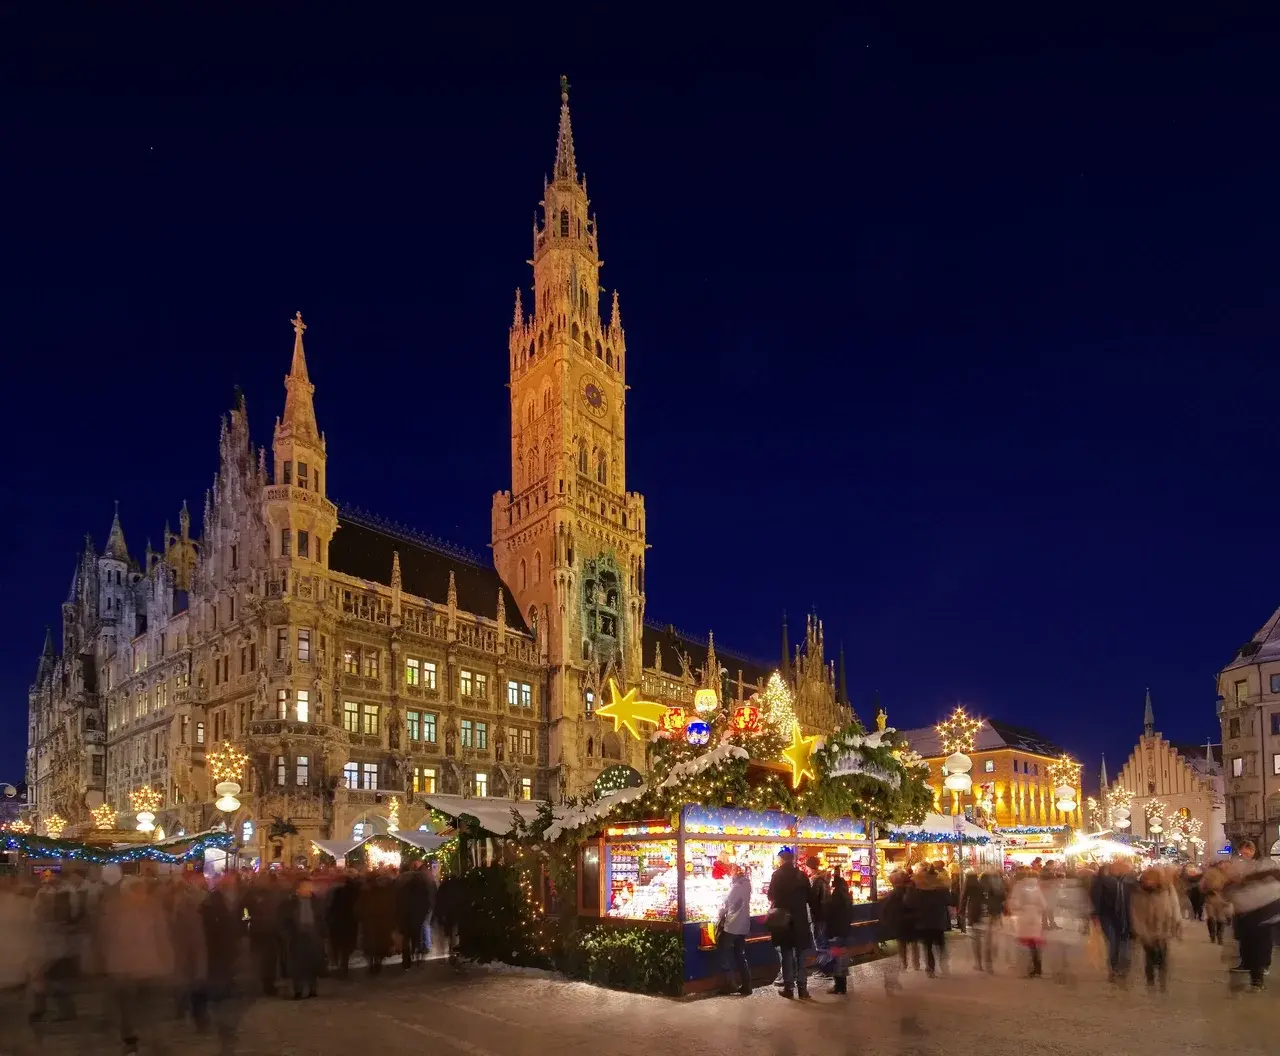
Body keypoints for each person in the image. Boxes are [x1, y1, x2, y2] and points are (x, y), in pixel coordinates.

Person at [1222, 840, 1280, 991]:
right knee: (1247, 944)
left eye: (1247, 852)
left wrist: (1248, 878)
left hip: (1264, 910)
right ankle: (1250, 968)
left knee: (1260, 944)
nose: (1245, 855)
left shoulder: (1266, 864)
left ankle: (1257, 978)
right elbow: (1226, 886)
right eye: (1243, 852)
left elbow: (1274, 877)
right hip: (1244, 912)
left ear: (1254, 851)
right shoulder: (1236, 865)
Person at [767, 848, 815, 999]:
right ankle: (803, 989)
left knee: (786, 954)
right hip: (799, 920)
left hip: (784, 921)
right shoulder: (801, 875)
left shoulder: (777, 875)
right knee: (800, 955)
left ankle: (789, 988)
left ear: (781, 860)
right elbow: (810, 897)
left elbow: (771, 895)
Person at [1129, 867, 1176, 991]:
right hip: (1146, 931)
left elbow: (1171, 910)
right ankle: (1150, 983)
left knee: (1162, 957)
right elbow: (1136, 915)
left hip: (1162, 931)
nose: (1150, 882)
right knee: (1149, 957)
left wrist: (1171, 928)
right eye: (1148, 879)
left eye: (1153, 879)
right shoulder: (1138, 894)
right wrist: (1141, 932)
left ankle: (1162, 983)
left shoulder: (1165, 892)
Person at [1090, 858, 1135, 983]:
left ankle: (1123, 968)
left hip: (1126, 917)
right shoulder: (1102, 881)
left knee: (1124, 943)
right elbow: (1096, 898)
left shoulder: (1130, 882)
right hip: (1108, 916)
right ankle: (1114, 969)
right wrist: (1096, 914)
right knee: (1113, 943)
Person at [905, 865, 950, 977]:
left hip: (924, 921)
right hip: (938, 919)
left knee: (928, 946)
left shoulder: (918, 889)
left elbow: (909, 902)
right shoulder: (941, 888)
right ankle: (944, 967)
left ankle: (930, 969)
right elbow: (950, 900)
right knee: (940, 945)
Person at [282, 877, 323, 999]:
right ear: (298, 889)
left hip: (313, 935)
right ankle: (298, 989)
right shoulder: (289, 904)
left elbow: (321, 919)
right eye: (305, 887)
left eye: (310, 887)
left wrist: (323, 934)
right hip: (297, 937)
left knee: (312, 963)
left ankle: (312, 988)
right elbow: (283, 921)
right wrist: (286, 934)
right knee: (298, 964)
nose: (308, 890)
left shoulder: (316, 902)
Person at [717, 865, 753, 995]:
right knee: (740, 955)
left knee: (723, 953)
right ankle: (747, 984)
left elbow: (726, 905)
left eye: (731, 872)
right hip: (743, 925)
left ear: (735, 874)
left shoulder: (736, 887)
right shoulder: (747, 885)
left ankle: (730, 983)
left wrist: (719, 914)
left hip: (732, 925)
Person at [1009, 867, 1047, 977]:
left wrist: (1018, 909)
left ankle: (1028, 967)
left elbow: (1014, 903)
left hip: (1024, 917)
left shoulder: (1018, 887)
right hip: (1035, 917)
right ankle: (1038, 966)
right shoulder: (1036, 887)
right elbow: (1044, 905)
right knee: (1035, 942)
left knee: (1025, 943)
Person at [395, 861, 433, 969]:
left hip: (404, 913)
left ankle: (406, 960)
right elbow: (425, 897)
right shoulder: (420, 880)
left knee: (406, 937)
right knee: (416, 935)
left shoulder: (399, 882)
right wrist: (425, 910)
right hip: (417, 913)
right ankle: (416, 955)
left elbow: (395, 899)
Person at [824, 868, 855, 995]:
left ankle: (839, 986)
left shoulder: (835, 898)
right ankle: (842, 986)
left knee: (837, 959)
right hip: (844, 932)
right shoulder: (847, 897)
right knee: (842, 958)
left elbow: (830, 914)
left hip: (836, 932)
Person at [327, 870, 361, 977]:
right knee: (346, 945)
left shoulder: (335, 891)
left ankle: (338, 964)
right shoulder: (355, 890)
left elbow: (330, 907)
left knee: (338, 944)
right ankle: (343, 965)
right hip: (349, 921)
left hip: (338, 921)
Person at [958, 868, 989, 971]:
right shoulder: (981, 885)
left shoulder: (968, 886)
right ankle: (987, 962)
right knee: (982, 937)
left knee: (975, 939)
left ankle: (978, 963)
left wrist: (961, 911)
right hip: (982, 911)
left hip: (972, 912)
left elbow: (963, 899)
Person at [1201, 865, 1232, 946]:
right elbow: (1202, 886)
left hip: (1221, 899)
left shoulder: (1227, 875)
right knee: (1211, 917)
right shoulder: (1209, 873)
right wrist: (1209, 890)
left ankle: (1219, 936)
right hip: (1210, 898)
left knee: (1221, 919)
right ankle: (1212, 936)